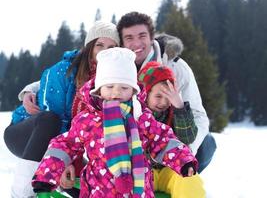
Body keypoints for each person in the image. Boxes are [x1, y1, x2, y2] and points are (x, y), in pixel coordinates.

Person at [31, 47, 198, 198]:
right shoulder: (88, 120)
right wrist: (47, 174)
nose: (116, 92)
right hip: (99, 190)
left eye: (124, 88)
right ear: (98, 89)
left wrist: (184, 160)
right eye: (110, 86)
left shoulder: (141, 118)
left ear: (133, 90)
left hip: (138, 191)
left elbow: (162, 141)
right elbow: (65, 145)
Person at [3, 21, 120, 198]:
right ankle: (21, 194)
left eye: (111, 47)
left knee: (84, 188)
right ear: (89, 47)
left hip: (66, 145)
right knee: (50, 119)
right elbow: (55, 119)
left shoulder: (110, 82)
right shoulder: (63, 71)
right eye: (99, 45)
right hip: (28, 134)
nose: (105, 51)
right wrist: (65, 162)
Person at [116, 12, 216, 173]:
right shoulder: (115, 71)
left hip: (171, 143)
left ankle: (182, 177)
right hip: (132, 149)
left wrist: (186, 151)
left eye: (142, 36)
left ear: (151, 37)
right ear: (121, 43)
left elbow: (198, 114)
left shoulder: (176, 67)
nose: (136, 43)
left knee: (208, 143)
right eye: (129, 38)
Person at [138, 61, 205, 197]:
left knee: (189, 179)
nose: (163, 102)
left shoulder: (173, 113)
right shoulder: (134, 113)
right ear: (144, 93)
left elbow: (187, 138)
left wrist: (179, 108)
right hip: (140, 173)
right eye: (158, 96)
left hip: (167, 170)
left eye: (167, 97)